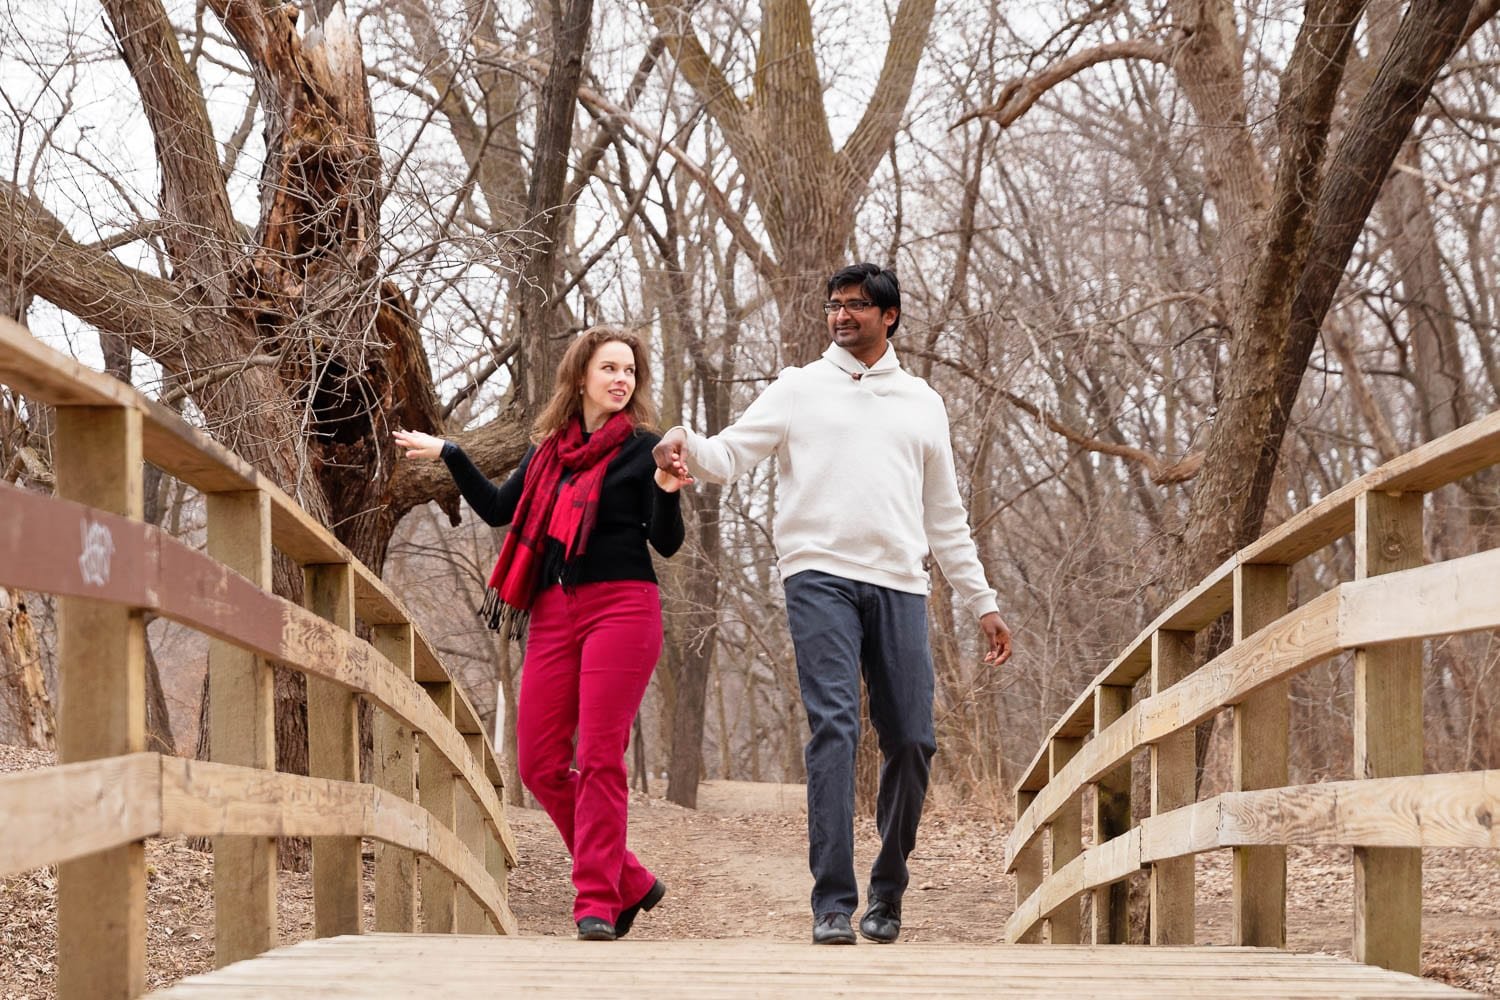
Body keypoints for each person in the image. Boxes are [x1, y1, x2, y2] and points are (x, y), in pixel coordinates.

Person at [653, 263, 1012, 946]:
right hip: (817, 575)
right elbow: (729, 455)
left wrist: (982, 602)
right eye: (834, 305)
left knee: (911, 738)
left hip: (902, 583)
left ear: (890, 316)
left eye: (857, 306)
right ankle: (831, 902)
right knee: (836, 728)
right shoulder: (798, 389)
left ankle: (888, 888)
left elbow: (946, 516)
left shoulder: (921, 402)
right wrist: (683, 444)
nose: (841, 315)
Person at [395, 326, 687, 942]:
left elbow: (665, 541)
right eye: (609, 368)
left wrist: (665, 490)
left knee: (600, 758)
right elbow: (502, 508)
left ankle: (597, 902)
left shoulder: (644, 448)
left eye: (629, 372)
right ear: (581, 376)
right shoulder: (548, 452)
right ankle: (630, 878)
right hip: (553, 610)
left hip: (623, 608)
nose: (620, 380)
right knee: (538, 763)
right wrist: (452, 454)